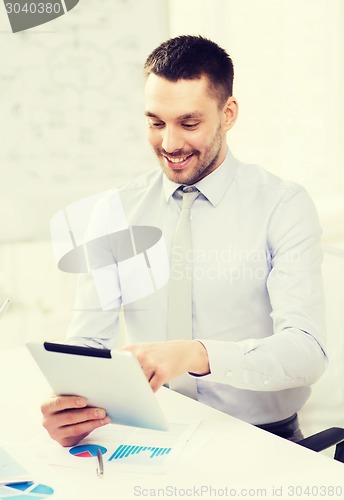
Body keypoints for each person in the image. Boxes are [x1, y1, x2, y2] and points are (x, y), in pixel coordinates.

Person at [41, 35, 327, 447]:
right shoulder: (115, 211)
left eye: (189, 124)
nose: (170, 144)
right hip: (152, 433)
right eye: (156, 123)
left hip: (263, 440)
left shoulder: (283, 205)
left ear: (228, 114)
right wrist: (70, 404)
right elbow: (88, 341)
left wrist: (195, 355)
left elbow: (307, 353)